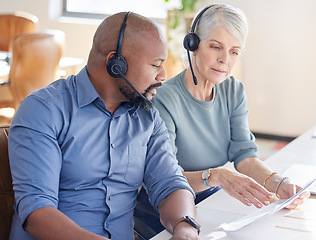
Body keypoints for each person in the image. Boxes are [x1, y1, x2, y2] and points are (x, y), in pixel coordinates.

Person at [8, 12, 201, 240]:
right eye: (155, 64)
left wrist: (185, 228)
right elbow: (37, 212)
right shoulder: (44, 110)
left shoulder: (147, 117)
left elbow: (169, 183)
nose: (163, 74)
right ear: (115, 64)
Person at [153, 4, 310, 208]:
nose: (224, 60)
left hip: (211, 199)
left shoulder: (233, 90)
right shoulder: (164, 98)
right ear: (193, 44)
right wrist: (216, 176)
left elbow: (244, 156)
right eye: (215, 47)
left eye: (234, 52)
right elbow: (166, 177)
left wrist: (278, 183)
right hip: (172, 206)